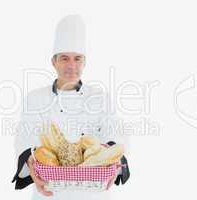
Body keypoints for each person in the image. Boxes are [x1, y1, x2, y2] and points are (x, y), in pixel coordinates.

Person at [12, 15, 130, 200]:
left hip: (92, 193)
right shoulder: (36, 99)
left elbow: (114, 130)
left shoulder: (100, 98)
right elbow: (25, 135)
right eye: (64, 58)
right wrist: (31, 165)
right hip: (50, 192)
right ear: (54, 61)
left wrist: (114, 163)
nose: (71, 66)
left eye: (77, 59)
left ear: (85, 62)